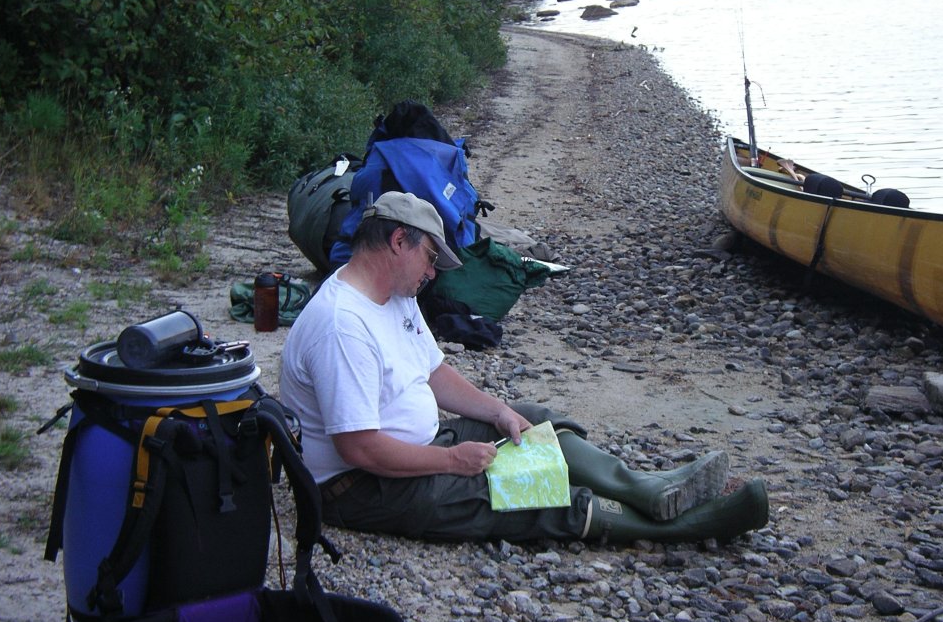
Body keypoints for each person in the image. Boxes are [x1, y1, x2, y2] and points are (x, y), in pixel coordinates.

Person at [280, 191, 769, 545]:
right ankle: (687, 527)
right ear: (398, 241)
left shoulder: (393, 294)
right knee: (521, 496)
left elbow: (433, 373)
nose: (432, 273)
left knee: (535, 422)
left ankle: (646, 488)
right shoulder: (342, 326)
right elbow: (359, 446)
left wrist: (498, 411)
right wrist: (453, 461)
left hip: (414, 449)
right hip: (362, 486)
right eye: (430, 258)